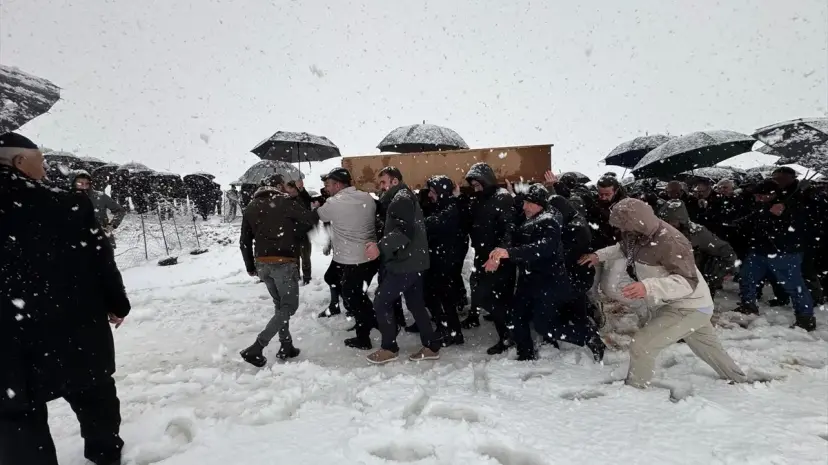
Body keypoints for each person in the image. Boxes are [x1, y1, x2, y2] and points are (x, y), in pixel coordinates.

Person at [0, 133, 131, 465]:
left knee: (16, 414)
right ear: (18, 162)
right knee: (94, 392)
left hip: (8, 337)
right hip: (73, 324)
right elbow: (101, 260)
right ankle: (105, 452)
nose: (44, 166)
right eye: (39, 159)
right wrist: (116, 303)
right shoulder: (67, 205)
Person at [579, 198, 747, 389]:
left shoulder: (671, 242)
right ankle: (740, 380)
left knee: (642, 345)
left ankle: (635, 390)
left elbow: (687, 282)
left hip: (689, 306)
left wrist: (647, 287)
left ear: (635, 222)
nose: (621, 231)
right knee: (709, 348)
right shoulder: (638, 233)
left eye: (623, 226)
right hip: (676, 303)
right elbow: (622, 249)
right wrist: (599, 255)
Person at [486, 185, 598, 361]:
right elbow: (516, 233)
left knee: (545, 327)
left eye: (529, 203)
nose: (524, 207)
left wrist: (509, 253)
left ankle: (588, 336)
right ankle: (525, 354)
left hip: (549, 283)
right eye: (525, 202)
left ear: (539, 205)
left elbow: (544, 247)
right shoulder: (532, 214)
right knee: (516, 317)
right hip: (528, 280)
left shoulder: (550, 221)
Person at [238, 174, 319, 367]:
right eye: (283, 185)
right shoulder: (284, 202)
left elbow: (244, 241)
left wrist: (250, 266)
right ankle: (257, 346)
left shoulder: (251, 206)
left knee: (280, 305)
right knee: (289, 306)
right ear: (278, 186)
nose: (285, 188)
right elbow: (308, 221)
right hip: (283, 262)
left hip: (262, 264)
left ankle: (286, 345)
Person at [364, 167, 439, 364]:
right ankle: (431, 345)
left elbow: (404, 232)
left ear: (394, 181)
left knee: (381, 302)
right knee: (415, 304)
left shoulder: (401, 199)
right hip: (415, 261)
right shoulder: (402, 198)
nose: (381, 186)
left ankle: (389, 348)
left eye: (383, 182)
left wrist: (380, 247)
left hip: (406, 263)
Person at [732, 179, 816, 331]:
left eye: (760, 196)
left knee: (794, 285)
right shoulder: (763, 205)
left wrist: (781, 211)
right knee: (747, 277)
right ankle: (748, 305)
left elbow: (791, 226)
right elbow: (754, 219)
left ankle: (805, 317)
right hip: (760, 250)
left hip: (784, 252)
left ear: (771, 194)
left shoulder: (792, 205)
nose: (757, 199)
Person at [313, 168, 379, 350]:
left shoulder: (334, 202)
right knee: (333, 278)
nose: (326, 188)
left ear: (339, 184)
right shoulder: (366, 198)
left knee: (354, 297)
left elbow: (318, 216)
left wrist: (316, 207)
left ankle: (364, 335)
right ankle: (371, 319)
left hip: (352, 259)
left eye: (328, 185)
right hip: (369, 257)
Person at [463, 163, 516, 355]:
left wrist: (499, 253)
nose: (476, 188)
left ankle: (508, 336)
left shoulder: (501, 198)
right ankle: (505, 330)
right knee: (482, 292)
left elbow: (509, 229)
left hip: (497, 257)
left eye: (478, 184)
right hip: (482, 254)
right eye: (474, 185)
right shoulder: (479, 199)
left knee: (497, 298)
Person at [548, 195, 606, 359]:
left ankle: (589, 337)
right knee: (576, 308)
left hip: (574, 276)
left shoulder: (575, 228)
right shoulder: (574, 220)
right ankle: (590, 334)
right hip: (577, 275)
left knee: (574, 309)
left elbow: (562, 254)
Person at [657, 200, 736, 299]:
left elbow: (723, 249)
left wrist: (726, 269)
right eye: (665, 221)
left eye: (671, 221)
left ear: (681, 220)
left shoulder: (697, 233)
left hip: (697, 276)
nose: (668, 224)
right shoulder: (660, 231)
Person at [423, 175, 465, 346]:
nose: (429, 195)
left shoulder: (450, 210)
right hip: (439, 260)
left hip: (444, 262)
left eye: (433, 192)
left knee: (444, 298)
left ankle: (452, 332)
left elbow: (430, 224)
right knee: (436, 297)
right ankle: (447, 329)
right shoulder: (444, 205)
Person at [73, 171, 127, 248]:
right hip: (77, 241)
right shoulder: (68, 198)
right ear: (74, 183)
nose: (84, 186)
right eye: (80, 183)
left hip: (101, 240)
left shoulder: (101, 196)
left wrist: (112, 225)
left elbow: (120, 211)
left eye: (87, 183)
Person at [284, 179, 314, 284]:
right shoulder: (286, 200)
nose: (289, 191)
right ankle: (296, 276)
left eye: (290, 189)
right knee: (294, 258)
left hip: (304, 232)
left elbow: (307, 199)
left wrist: (302, 188)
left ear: (295, 188)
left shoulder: (303, 198)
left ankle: (307, 277)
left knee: (305, 257)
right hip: (292, 233)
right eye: (287, 190)